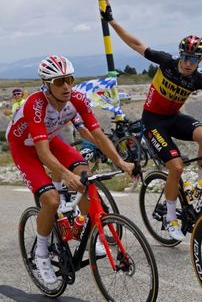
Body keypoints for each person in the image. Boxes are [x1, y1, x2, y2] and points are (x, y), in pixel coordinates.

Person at [6, 56, 136, 284]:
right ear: (47, 84)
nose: (66, 86)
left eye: (69, 79)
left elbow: (96, 134)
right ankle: (42, 254)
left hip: (51, 139)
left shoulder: (77, 98)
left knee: (85, 174)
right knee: (51, 200)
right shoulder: (35, 105)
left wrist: (121, 162)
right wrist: (66, 175)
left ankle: (89, 231)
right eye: (59, 81)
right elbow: (43, 153)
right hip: (24, 147)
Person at [101, 0, 202, 241]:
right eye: (185, 57)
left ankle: (200, 183)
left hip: (173, 118)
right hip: (153, 121)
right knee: (176, 166)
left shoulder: (200, 79)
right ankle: (170, 215)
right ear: (180, 54)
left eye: (193, 60)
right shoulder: (166, 62)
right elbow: (136, 45)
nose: (187, 63)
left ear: (200, 60)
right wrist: (112, 21)